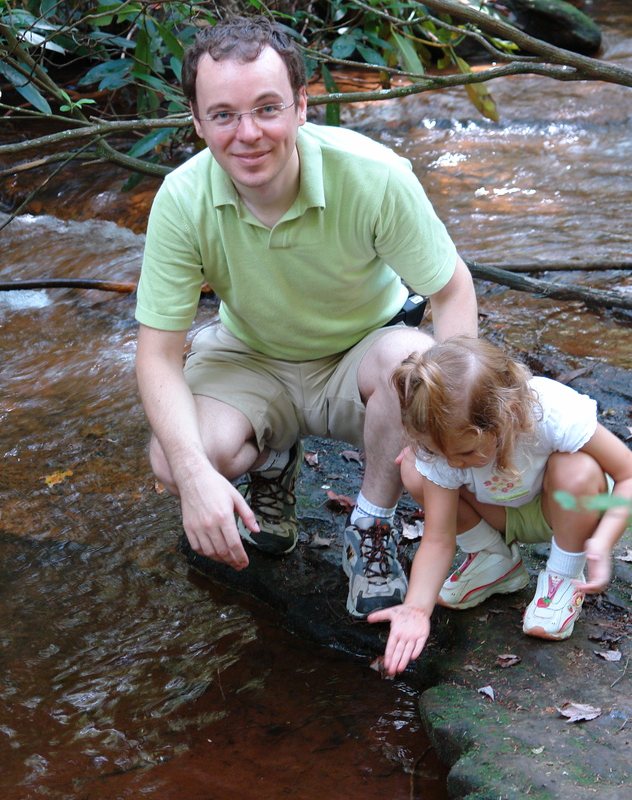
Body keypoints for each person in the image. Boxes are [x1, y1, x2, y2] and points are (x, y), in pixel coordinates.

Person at [133, 16, 478, 619]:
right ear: (196, 120)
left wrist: (455, 410)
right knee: (172, 459)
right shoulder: (181, 200)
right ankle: (271, 464)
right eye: (223, 115)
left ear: (301, 106)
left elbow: (451, 292)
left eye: (267, 109)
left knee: (414, 367)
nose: (247, 134)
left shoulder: (375, 176)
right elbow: (158, 352)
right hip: (251, 358)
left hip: (362, 351)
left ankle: (371, 526)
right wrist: (193, 479)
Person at [368, 337, 632, 677]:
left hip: (558, 509)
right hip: (495, 511)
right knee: (415, 469)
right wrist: (415, 608)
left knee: (577, 470)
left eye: (468, 454)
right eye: (447, 455)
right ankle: (494, 559)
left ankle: (563, 575)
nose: (456, 464)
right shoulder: (446, 445)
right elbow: (438, 538)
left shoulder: (553, 411)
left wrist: (603, 541)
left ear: (507, 415)